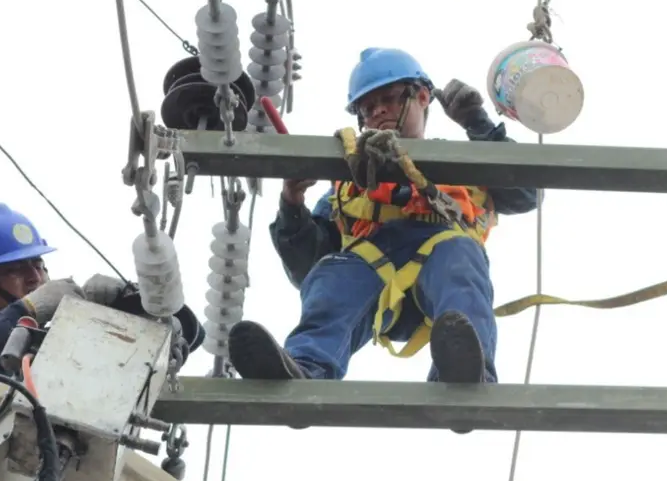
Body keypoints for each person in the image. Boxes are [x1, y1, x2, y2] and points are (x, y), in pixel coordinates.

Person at [226, 48, 540, 408]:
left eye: (388, 99)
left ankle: (465, 374)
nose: (377, 111)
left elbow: (526, 192)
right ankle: (306, 367)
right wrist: (292, 202)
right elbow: (307, 266)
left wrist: (478, 123)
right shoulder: (350, 181)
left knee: (460, 256)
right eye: (366, 107)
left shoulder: (462, 165)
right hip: (371, 283)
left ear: (423, 97)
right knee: (335, 272)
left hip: (443, 280)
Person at [0, 202, 129, 423]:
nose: (34, 277)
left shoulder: (62, 338)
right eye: (15, 269)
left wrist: (110, 315)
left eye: (38, 265)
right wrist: (27, 311)